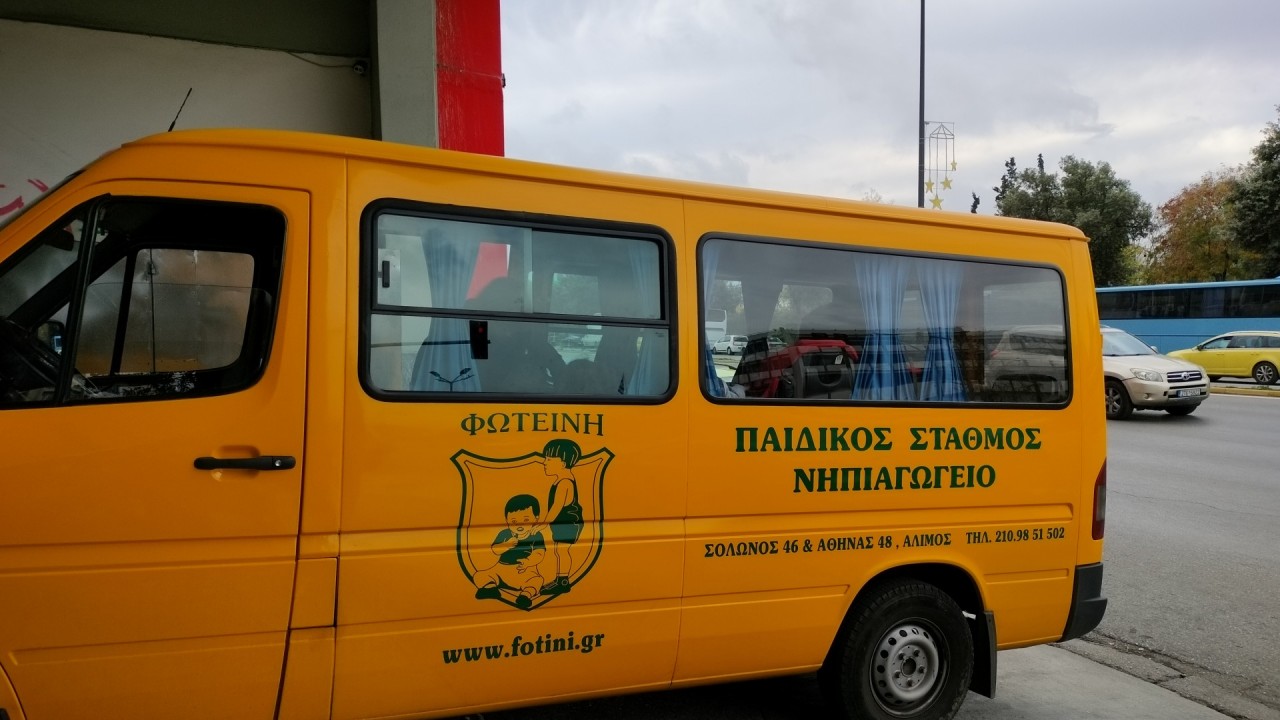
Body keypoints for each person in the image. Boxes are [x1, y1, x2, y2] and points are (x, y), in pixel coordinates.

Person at [472, 493, 546, 610]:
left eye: (526, 520)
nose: (519, 525)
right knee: (480, 575)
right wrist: (506, 545)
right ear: (507, 520)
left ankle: (525, 596)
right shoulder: (505, 534)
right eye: (514, 521)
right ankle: (490, 588)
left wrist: (528, 562)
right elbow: (495, 550)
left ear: (536, 518)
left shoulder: (536, 535)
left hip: (525, 572)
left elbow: (539, 553)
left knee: (537, 580)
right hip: (501, 570)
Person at [532, 439, 584, 596]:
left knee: (562, 550)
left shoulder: (565, 483)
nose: (544, 462)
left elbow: (556, 507)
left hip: (569, 522)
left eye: (549, 459)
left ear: (562, 463)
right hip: (563, 522)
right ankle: (560, 579)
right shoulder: (561, 479)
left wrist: (543, 523)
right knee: (559, 550)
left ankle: (563, 582)